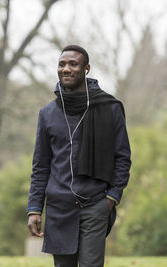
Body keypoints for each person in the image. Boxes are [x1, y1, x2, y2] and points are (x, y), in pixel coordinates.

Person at [27, 44, 131, 267]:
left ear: (86, 68)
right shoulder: (47, 114)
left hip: (95, 204)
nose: (66, 69)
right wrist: (34, 208)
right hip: (59, 208)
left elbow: (122, 158)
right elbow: (41, 165)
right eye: (61, 64)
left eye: (73, 64)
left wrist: (111, 199)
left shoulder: (109, 108)